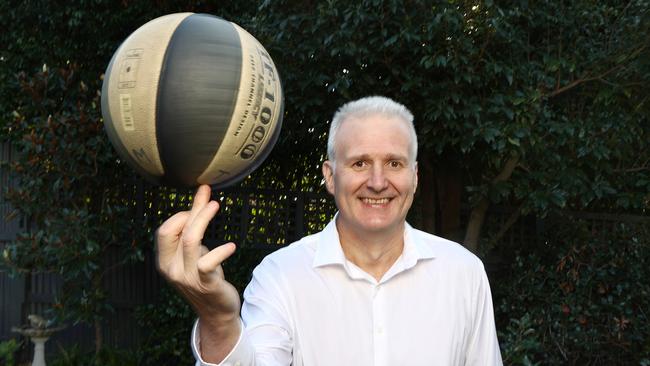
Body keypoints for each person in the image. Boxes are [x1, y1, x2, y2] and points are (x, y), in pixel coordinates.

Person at [156, 96, 503, 365]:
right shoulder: (280, 275)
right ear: (330, 176)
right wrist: (218, 320)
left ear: (415, 176)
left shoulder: (463, 271)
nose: (378, 182)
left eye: (394, 163)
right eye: (359, 163)